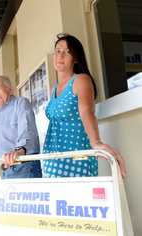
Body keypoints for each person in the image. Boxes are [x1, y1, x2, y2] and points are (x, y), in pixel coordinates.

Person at [42, 33, 126, 178]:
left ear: (75, 58)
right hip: (52, 160)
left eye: (67, 52)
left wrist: (96, 142)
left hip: (77, 157)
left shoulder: (80, 80)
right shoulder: (54, 88)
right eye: (58, 51)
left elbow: (86, 111)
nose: (60, 55)